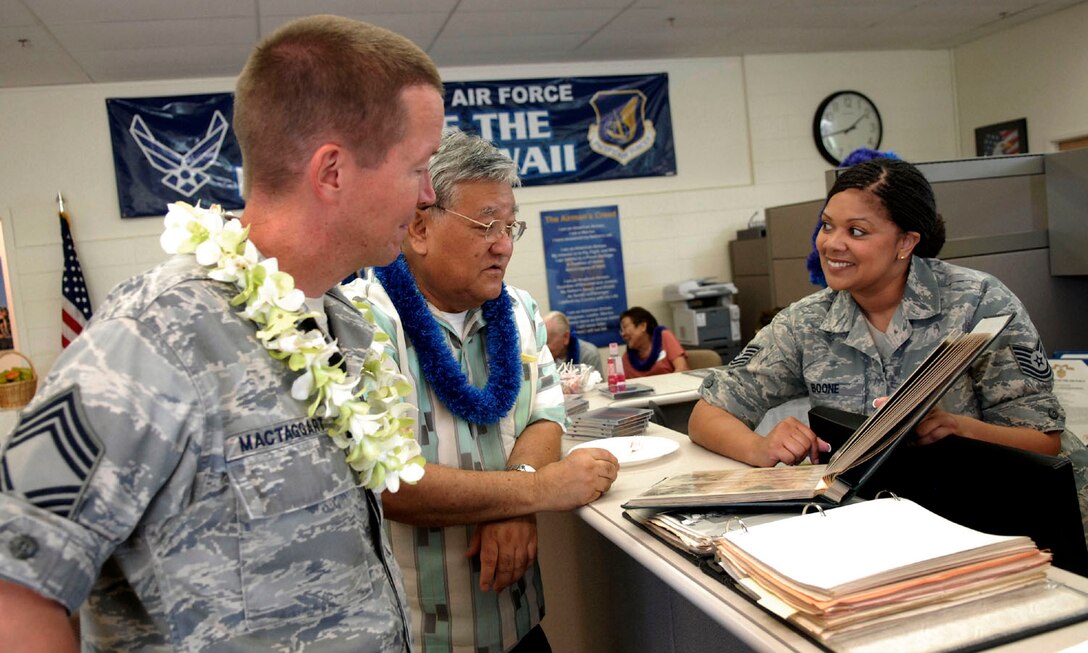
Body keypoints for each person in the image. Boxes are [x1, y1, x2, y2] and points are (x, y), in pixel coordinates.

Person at [0, 15, 444, 652]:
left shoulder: (337, 324)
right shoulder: (156, 338)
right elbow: (15, 586)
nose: (428, 195)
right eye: (419, 166)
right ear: (333, 172)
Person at [354, 129, 619, 653]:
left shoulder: (518, 310)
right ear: (419, 226)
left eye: (510, 224)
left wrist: (514, 501)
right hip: (420, 636)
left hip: (518, 624)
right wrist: (539, 492)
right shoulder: (363, 321)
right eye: (486, 224)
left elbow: (547, 417)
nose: (505, 243)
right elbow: (393, 482)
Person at [689, 157, 1064, 469]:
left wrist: (961, 429)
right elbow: (706, 417)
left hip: (983, 516)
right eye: (827, 226)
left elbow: (1043, 442)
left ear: (905, 242)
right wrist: (760, 448)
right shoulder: (806, 323)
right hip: (873, 517)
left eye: (856, 231)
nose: (832, 244)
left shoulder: (978, 304)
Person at [619, 306, 690, 377]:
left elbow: (682, 369)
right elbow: (624, 385)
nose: (623, 334)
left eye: (625, 327)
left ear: (643, 326)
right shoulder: (626, 358)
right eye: (621, 330)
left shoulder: (664, 337)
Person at [544, 310, 603, 375]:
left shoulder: (589, 355)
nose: (544, 347)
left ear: (566, 337)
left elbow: (597, 384)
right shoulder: (545, 356)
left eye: (547, 341)